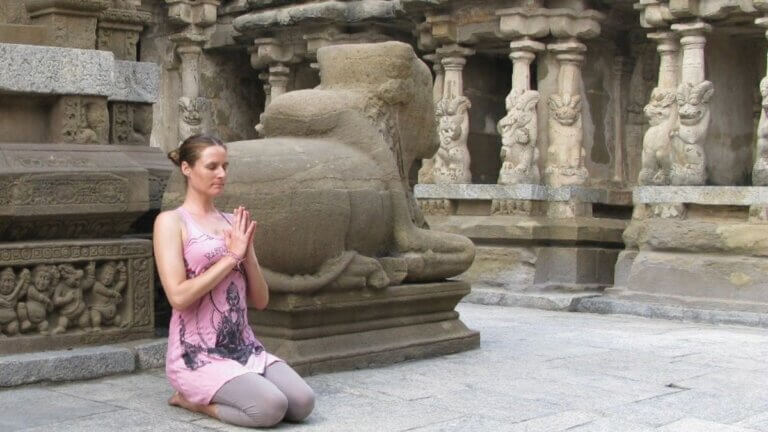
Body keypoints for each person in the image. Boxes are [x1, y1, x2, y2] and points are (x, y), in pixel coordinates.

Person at [153, 134, 315, 428]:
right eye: (212, 166)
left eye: (225, 166)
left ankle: (244, 383)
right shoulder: (171, 222)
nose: (222, 174)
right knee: (270, 408)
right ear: (187, 169)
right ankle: (190, 400)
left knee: (303, 403)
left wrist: (247, 253)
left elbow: (261, 301)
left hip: (243, 347)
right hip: (198, 354)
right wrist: (231, 257)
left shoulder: (232, 222)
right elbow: (178, 296)